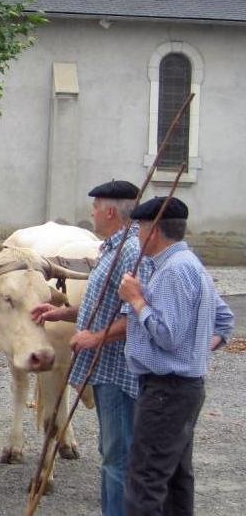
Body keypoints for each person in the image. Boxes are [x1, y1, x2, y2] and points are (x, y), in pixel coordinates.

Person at [31, 180, 150, 516]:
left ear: (110, 212)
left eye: (95, 207)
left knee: (118, 457)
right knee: (111, 452)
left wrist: (95, 338)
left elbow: (137, 315)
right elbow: (104, 306)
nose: (92, 213)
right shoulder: (111, 248)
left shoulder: (130, 252)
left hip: (119, 374)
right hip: (105, 371)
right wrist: (63, 313)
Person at [118, 196, 235, 516]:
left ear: (154, 231)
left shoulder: (173, 271)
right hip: (182, 387)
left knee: (146, 479)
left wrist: (136, 300)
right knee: (175, 478)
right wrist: (194, 352)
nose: (137, 235)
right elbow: (224, 320)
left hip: (166, 390)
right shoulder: (190, 264)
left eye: (140, 228)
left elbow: (168, 336)